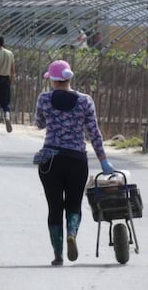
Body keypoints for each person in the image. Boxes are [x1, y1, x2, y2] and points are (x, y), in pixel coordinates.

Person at [34, 60, 115, 266]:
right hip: (77, 159)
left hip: (51, 159)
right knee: (74, 204)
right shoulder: (85, 101)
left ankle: (58, 255)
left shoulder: (44, 98)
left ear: (52, 80)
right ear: (70, 78)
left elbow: (39, 123)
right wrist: (103, 160)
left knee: (54, 206)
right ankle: (71, 232)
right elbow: (94, 133)